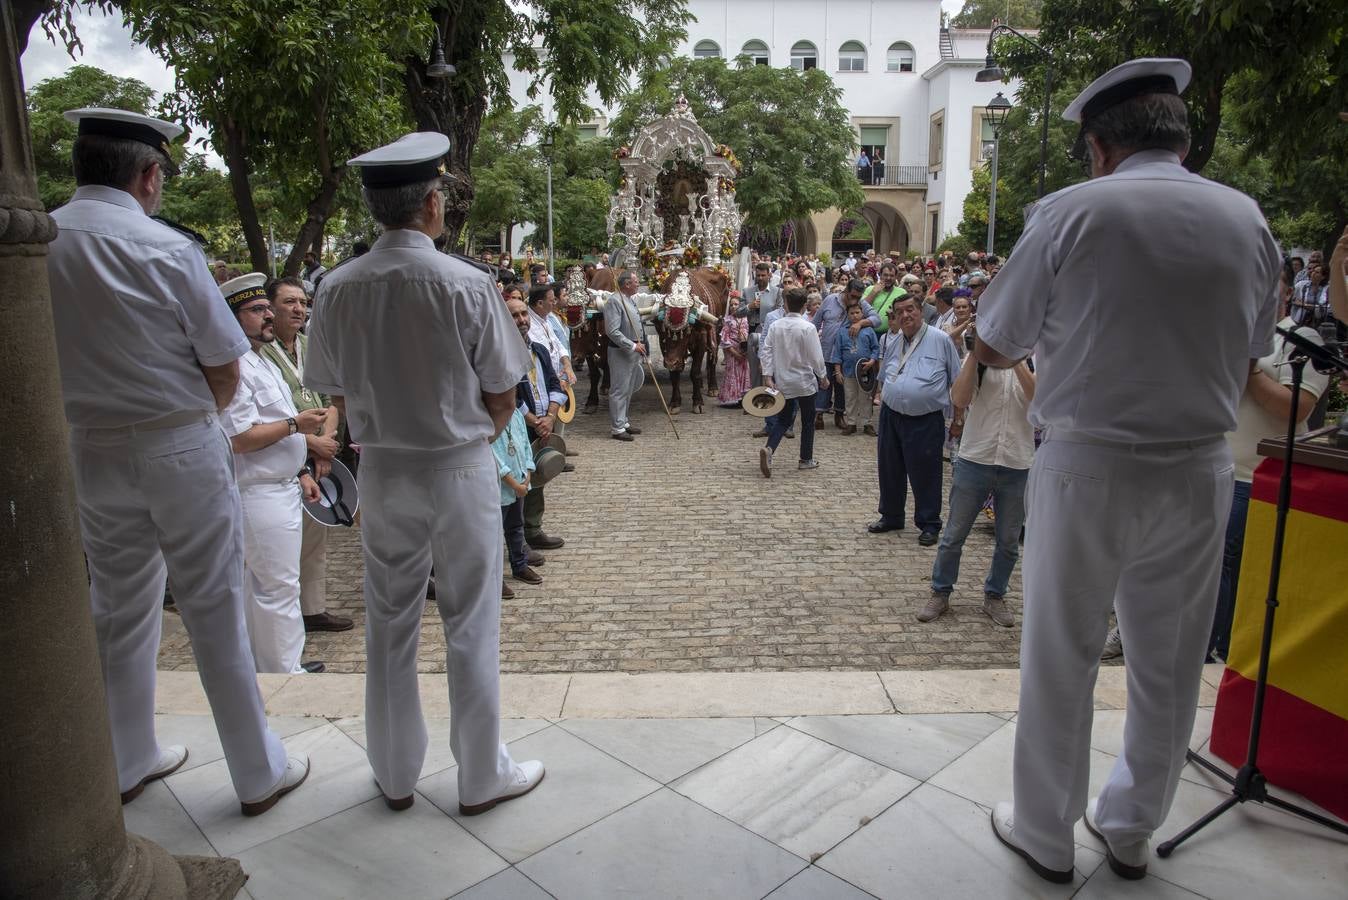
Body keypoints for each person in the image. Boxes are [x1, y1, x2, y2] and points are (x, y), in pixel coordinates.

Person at [973, 59, 1281, 884]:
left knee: (1062, 650)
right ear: (1178, 138)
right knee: (1171, 660)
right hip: (1198, 467)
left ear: (1099, 147)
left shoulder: (1071, 212)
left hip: (1088, 461)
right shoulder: (1246, 218)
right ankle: (1131, 826)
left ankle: (1044, 830)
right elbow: (1255, 347)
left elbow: (998, 341)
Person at [48, 107, 308, 815]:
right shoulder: (164, 247)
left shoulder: (41, 239)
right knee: (214, 607)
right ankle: (256, 771)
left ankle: (127, 756)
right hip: (178, 439)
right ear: (149, 174)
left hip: (91, 443)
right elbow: (226, 366)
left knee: (119, 604)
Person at [304, 132, 544, 814]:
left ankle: (394, 772)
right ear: (433, 204)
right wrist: (464, 441)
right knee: (471, 621)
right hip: (458, 465)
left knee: (389, 620)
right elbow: (504, 393)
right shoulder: (465, 283)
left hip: (383, 468)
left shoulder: (337, 287)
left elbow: (334, 391)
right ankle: (479, 776)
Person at [220, 274, 326, 674]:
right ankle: (284, 673)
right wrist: (297, 426)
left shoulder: (258, 361)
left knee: (269, 586)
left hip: (280, 484)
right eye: (257, 310)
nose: (268, 316)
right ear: (232, 318)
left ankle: (271, 665)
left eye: (267, 308)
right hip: (257, 490)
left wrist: (299, 470)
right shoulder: (236, 367)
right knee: (277, 586)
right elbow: (241, 437)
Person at [1211, 315, 1329, 660]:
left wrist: (1250, 369)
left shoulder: (1301, 339)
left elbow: (1295, 408)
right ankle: (1223, 647)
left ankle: (1212, 650)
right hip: (1213, 471)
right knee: (1214, 564)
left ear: (1285, 292)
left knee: (1222, 562)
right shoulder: (1226, 330)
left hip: (1257, 477)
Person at [259, 275, 353, 635]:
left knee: (316, 535)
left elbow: (331, 399)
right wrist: (310, 442)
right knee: (283, 543)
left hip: (319, 452)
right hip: (284, 452)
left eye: (302, 302)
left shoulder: (310, 344)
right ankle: (282, 621)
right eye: (289, 302)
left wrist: (327, 441)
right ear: (271, 308)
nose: (298, 309)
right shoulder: (261, 353)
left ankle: (312, 608)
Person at [923, 353, 1035, 626]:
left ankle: (995, 595)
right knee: (954, 535)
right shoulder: (980, 359)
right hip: (976, 458)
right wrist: (975, 354)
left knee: (1008, 541)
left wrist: (1017, 361)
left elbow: (1039, 402)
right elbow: (959, 399)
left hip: (1017, 461)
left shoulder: (1038, 359)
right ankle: (941, 591)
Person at [869, 294, 961, 545]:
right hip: (891, 414)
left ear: (921, 311)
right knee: (889, 468)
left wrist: (958, 420)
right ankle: (891, 515)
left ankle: (929, 522)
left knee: (926, 472)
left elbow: (958, 381)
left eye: (910, 309)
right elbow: (884, 377)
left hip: (925, 418)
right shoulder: (894, 340)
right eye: (899, 312)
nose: (905, 315)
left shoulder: (941, 340)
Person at [510, 291, 567, 554]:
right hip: (519, 426)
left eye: (523, 314)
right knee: (520, 482)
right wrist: (534, 421)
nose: (522, 319)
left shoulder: (540, 350)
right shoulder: (504, 353)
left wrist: (551, 416)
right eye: (515, 315)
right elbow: (509, 395)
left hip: (545, 422)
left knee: (539, 478)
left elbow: (555, 385)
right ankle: (517, 541)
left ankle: (534, 530)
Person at [759, 288, 828, 477]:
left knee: (783, 420)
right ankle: (806, 459)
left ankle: (770, 448)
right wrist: (823, 376)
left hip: (783, 380)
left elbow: (766, 351)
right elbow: (816, 357)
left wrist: (768, 375)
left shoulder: (776, 326)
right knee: (807, 421)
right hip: (805, 382)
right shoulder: (808, 327)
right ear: (805, 306)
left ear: (786, 305)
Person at [600, 271, 662, 441]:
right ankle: (617, 428)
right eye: (636, 281)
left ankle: (624, 422)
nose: (638, 284)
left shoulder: (629, 300)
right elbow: (612, 331)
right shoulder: (614, 301)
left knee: (628, 389)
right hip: (621, 351)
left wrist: (640, 346)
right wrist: (633, 345)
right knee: (619, 390)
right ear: (626, 284)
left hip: (634, 351)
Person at [813, 279, 881, 429]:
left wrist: (860, 323)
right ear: (845, 291)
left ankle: (839, 415)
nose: (854, 300)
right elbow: (815, 323)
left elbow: (878, 320)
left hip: (845, 355)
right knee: (824, 384)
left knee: (842, 388)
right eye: (852, 296)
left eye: (858, 297)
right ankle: (818, 415)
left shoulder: (861, 304)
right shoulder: (830, 300)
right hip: (826, 350)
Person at [492, 403, 538, 599]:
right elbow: (492, 456)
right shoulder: (489, 419)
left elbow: (526, 444)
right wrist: (512, 482)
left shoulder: (517, 415)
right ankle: (494, 579)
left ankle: (519, 565)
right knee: (493, 536)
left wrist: (528, 471)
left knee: (516, 526)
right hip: (500, 488)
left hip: (519, 483)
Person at [831, 303, 880, 435]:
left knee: (865, 397)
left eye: (857, 312)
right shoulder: (842, 332)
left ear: (862, 314)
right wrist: (837, 371)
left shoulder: (869, 331)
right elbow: (837, 352)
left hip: (865, 371)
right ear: (847, 315)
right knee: (850, 397)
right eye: (852, 313)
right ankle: (851, 422)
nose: (855, 315)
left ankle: (866, 423)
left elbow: (876, 348)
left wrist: (872, 361)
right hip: (848, 371)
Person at [742, 261, 782, 387]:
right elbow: (737, 312)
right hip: (753, 331)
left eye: (763, 275)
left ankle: (771, 396)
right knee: (754, 367)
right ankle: (754, 396)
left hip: (771, 332)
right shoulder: (747, 291)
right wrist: (750, 306)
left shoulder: (777, 292)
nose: (760, 278)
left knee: (770, 366)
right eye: (758, 275)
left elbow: (781, 312)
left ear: (769, 275)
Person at [717, 305, 752, 406]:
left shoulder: (745, 318)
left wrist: (745, 349)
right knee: (732, 373)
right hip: (732, 351)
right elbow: (725, 339)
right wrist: (735, 353)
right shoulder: (727, 320)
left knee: (744, 373)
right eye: (731, 304)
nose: (733, 306)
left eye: (736, 304)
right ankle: (732, 399)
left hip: (743, 350)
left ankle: (742, 397)